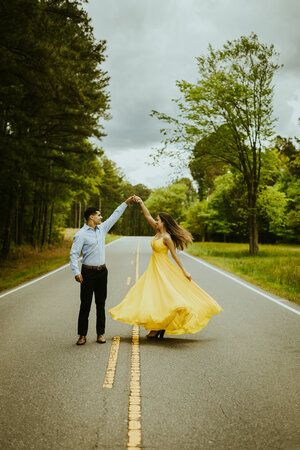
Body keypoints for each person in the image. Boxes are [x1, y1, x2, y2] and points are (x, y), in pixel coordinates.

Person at [109, 196, 223, 338]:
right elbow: (147, 216)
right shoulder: (157, 232)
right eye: (156, 219)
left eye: (158, 220)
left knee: (166, 296)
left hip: (163, 269)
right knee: (154, 296)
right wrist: (141, 203)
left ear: (163, 222)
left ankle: (158, 328)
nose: (156, 221)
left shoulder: (167, 238)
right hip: (153, 268)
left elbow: (175, 256)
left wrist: (184, 271)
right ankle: (158, 326)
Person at [70, 197, 136, 345]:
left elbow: (115, 214)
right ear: (91, 217)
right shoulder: (81, 235)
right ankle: (82, 335)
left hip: (102, 272)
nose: (101, 217)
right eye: (99, 215)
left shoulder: (102, 229)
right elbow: (74, 254)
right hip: (87, 273)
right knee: (85, 305)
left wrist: (126, 202)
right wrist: (76, 272)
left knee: (101, 303)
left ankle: (100, 334)